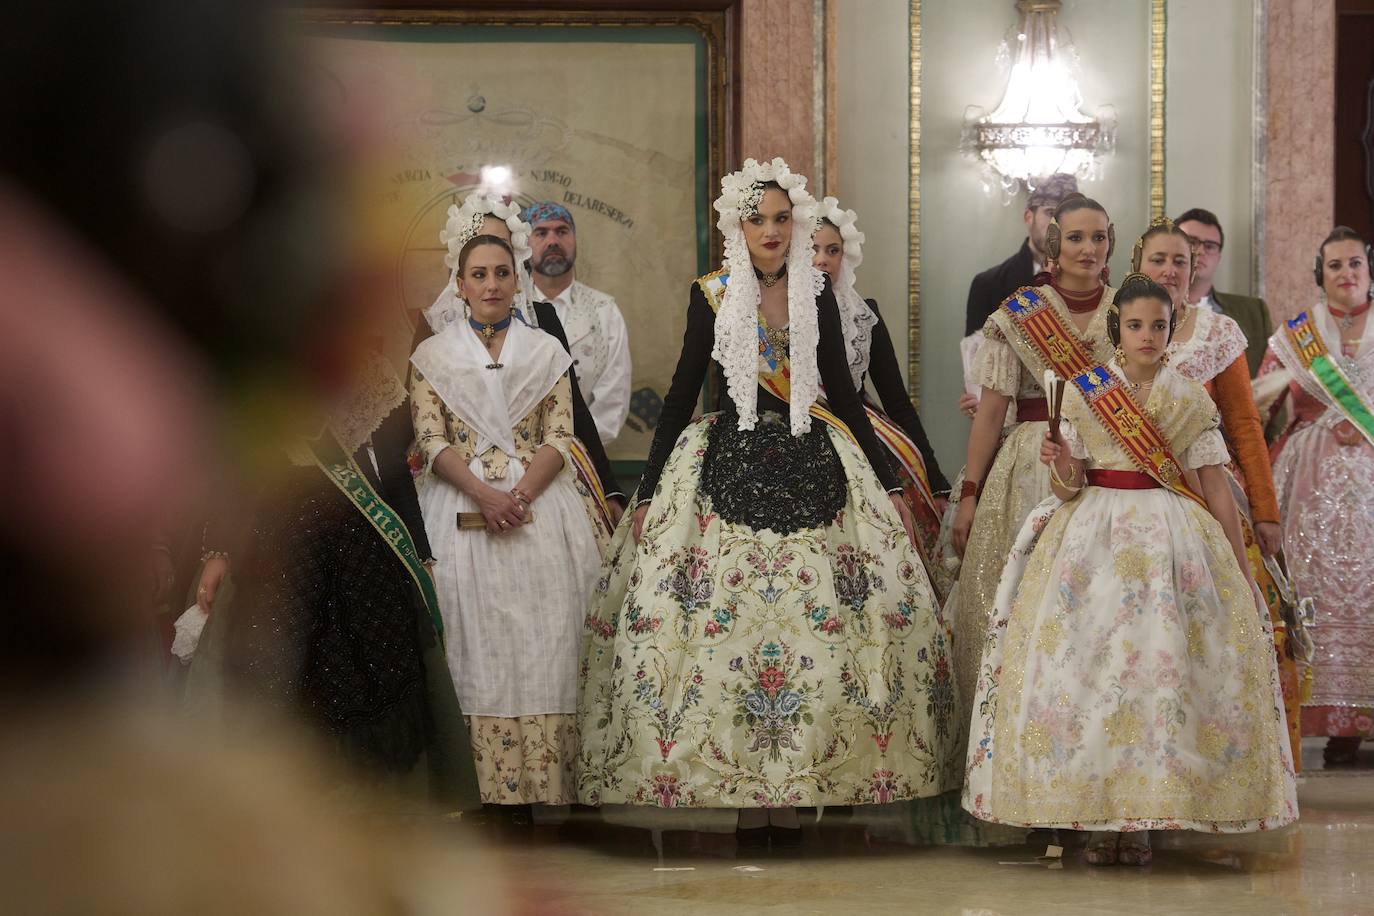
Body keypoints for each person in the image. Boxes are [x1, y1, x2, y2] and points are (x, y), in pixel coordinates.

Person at [576, 159, 960, 848]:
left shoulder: (816, 291)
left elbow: (847, 399)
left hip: (818, 456)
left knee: (820, 638)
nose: (772, 231)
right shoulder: (712, 294)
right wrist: (652, 487)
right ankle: (746, 800)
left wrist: (890, 487)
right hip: (727, 463)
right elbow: (682, 392)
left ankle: (797, 793)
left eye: (783, 219)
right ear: (738, 226)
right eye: (758, 220)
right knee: (732, 639)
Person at [964, 275, 1297, 866]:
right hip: (1091, 541)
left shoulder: (1189, 398)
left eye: (1159, 326)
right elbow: (1068, 488)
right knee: (1090, 673)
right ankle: (1097, 814)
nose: (1148, 335)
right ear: (1117, 329)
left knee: (1158, 673)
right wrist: (1061, 462)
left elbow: (1215, 488)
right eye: (1136, 325)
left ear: (1171, 330)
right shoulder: (1085, 392)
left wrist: (1239, 567)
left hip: (1173, 542)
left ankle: (1147, 817)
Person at [188, 350, 481, 810]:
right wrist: (219, 550)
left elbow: (394, 472)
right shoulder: (257, 358)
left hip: (359, 543)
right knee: (274, 675)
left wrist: (421, 554)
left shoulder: (358, 359)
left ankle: (365, 812)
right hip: (276, 541)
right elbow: (232, 471)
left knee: (371, 677)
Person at [410, 234, 603, 816]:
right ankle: (480, 791)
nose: (491, 285)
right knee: (473, 639)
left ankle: (549, 787)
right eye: (479, 274)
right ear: (460, 284)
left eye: (501, 273)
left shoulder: (546, 350)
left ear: (516, 281)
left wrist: (515, 497)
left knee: (548, 637)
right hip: (458, 507)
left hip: (540, 510)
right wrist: (483, 495)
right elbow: (430, 439)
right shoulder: (432, 356)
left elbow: (560, 437)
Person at [1134, 217, 1302, 769]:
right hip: (1128, 502)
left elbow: (1245, 425)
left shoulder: (1217, 333)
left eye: (1180, 261)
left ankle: (1225, 761)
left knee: (1220, 629)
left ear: (1194, 269)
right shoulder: (1114, 325)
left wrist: (1266, 511)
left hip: (1209, 499)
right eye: (1159, 260)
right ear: (1138, 266)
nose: (1170, 270)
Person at [949, 194, 1118, 728]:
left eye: (1098, 237)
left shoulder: (1128, 312)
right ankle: (1010, 731)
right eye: (1076, 238)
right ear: (1054, 244)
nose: (1088, 249)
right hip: (1029, 466)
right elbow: (990, 411)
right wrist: (970, 492)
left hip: (1109, 464)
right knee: (1022, 599)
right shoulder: (1019, 315)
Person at [416, 193, 626, 530]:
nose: (488, 253)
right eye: (478, 245)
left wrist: (609, 485)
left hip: (537, 479)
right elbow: (418, 422)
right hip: (456, 482)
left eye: (499, 245)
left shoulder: (543, 320)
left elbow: (572, 412)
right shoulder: (432, 328)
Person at [1257, 226, 1374, 766]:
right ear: (1319, 275)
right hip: (1309, 485)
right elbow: (1257, 399)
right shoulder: (1296, 335)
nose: (1346, 273)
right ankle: (1328, 721)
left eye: (1355, 263)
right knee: (1313, 591)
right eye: (1335, 265)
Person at [812, 196, 950, 594]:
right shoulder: (771, 313)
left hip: (863, 436)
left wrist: (935, 480)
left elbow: (898, 404)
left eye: (833, 250)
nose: (822, 260)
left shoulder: (863, 315)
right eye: (812, 249)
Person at [522, 201, 632, 445]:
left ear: (575, 239)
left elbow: (613, 402)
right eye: (541, 232)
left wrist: (568, 453)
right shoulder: (511, 309)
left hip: (585, 455)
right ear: (524, 244)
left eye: (562, 231)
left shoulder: (605, 311)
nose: (553, 241)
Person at [963, 174, 1080, 337]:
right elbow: (976, 352)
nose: (1058, 224)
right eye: (1050, 212)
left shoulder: (1093, 281)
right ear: (1028, 217)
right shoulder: (988, 285)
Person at [1176, 207, 1273, 377]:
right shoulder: (1143, 311)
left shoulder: (1254, 312)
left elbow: (1267, 382)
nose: (1200, 251)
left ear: (1218, 257)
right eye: (1191, 242)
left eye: (1209, 246)